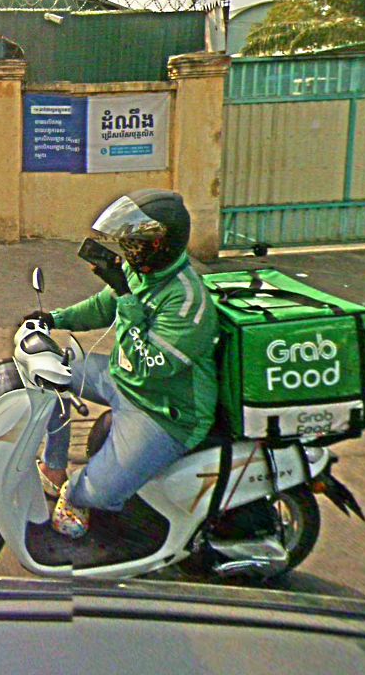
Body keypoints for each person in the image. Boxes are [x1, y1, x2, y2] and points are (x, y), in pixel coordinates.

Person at [26, 189, 219, 539]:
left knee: (95, 494)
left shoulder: (188, 302)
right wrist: (53, 319)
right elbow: (103, 307)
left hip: (161, 411)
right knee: (45, 372)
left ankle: (78, 492)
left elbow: (149, 364)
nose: (129, 252)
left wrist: (127, 298)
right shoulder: (140, 272)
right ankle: (53, 468)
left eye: (137, 244)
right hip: (121, 378)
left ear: (163, 245)